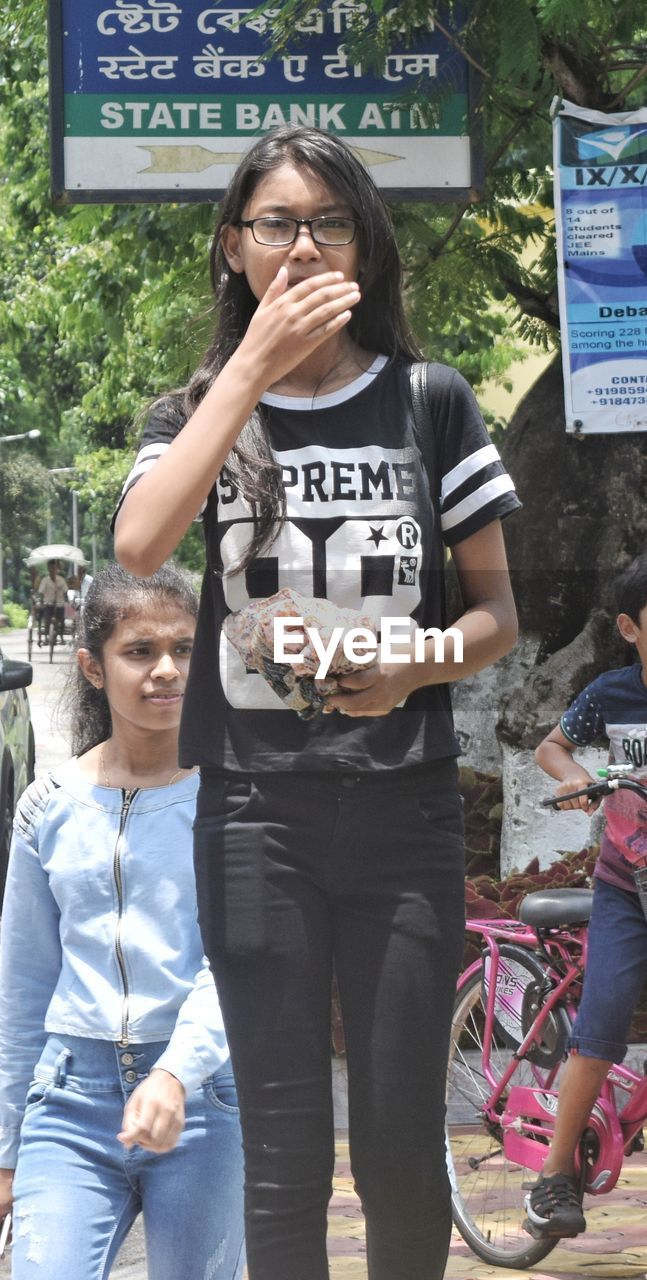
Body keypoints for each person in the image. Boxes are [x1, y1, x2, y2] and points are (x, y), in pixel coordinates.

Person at [113, 125, 520, 1280]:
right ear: (233, 246)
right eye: (274, 223)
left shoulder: (429, 401)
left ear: (365, 247)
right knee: (283, 1148)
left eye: (328, 221)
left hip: (404, 814)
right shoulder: (193, 410)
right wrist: (246, 368)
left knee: (399, 1147)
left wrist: (408, 663)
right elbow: (139, 541)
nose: (301, 246)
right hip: (252, 817)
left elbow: (496, 617)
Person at [0, 563, 245, 1280]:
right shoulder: (48, 807)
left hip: (203, 1101)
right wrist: (7, 1150)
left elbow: (234, 963)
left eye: (184, 649)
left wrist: (174, 1074)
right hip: (69, 1103)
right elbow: (24, 986)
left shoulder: (234, 805)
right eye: (140, 651)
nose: (166, 670)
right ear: (93, 668)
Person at [526, 550, 647, 1240]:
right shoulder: (610, 693)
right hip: (623, 888)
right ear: (628, 628)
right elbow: (551, 746)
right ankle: (552, 1175)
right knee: (598, 1030)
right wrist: (572, 775)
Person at [38, 559, 67, 644]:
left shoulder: (61, 580)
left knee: (62, 621)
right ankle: (46, 636)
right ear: (48, 568)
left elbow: (65, 591)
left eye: (55, 568)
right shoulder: (45, 580)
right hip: (48, 604)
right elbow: (41, 592)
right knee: (46, 620)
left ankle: (61, 637)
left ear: (57, 569)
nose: (53, 570)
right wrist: (41, 602)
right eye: (51, 568)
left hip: (59, 604)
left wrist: (66, 600)